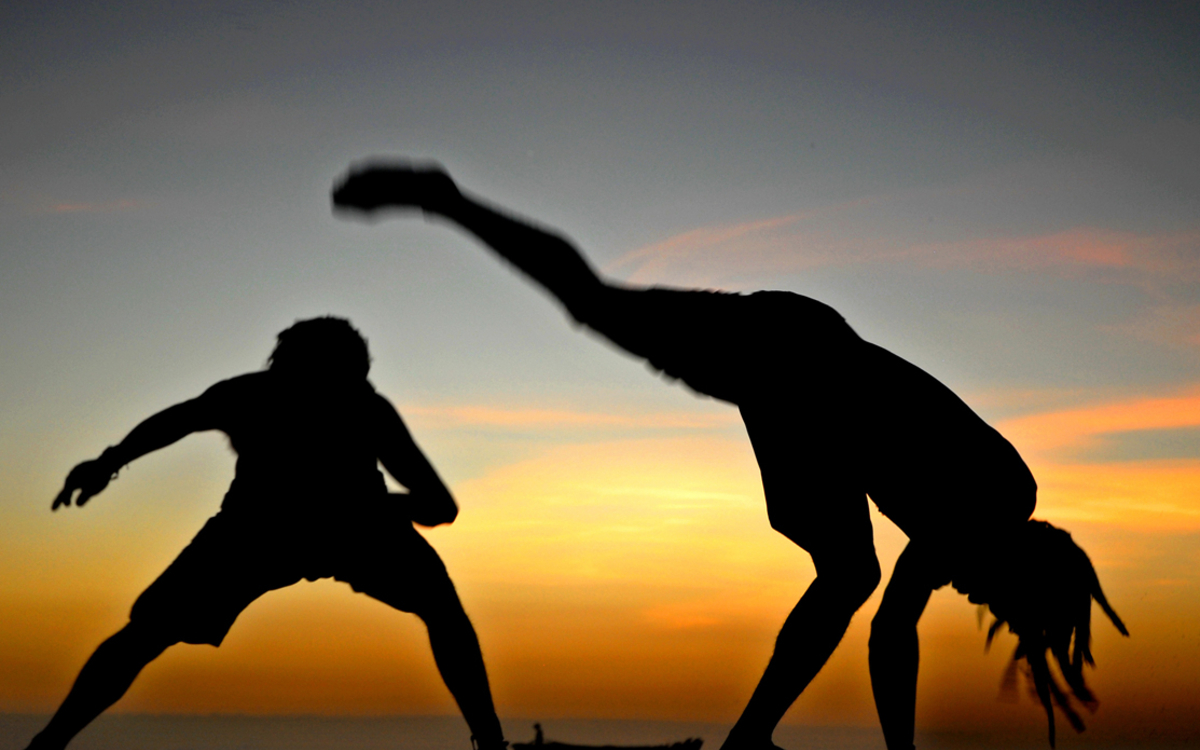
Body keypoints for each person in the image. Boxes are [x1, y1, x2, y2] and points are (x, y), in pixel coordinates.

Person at [331, 163, 1128, 750]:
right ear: (1021, 570)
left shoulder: (989, 511)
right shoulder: (987, 508)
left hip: (796, 360)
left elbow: (895, 622)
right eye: (997, 601)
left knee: (847, 568)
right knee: (594, 305)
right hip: (791, 356)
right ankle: (448, 200)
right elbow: (893, 632)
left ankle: (749, 739)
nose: (975, 597)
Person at [25, 317, 508, 750]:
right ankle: (49, 743)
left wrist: (107, 462)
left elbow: (439, 506)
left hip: (326, 527)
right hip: (269, 528)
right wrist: (108, 462)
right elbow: (176, 421)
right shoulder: (280, 396)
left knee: (143, 634)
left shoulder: (349, 405)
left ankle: (490, 743)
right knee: (146, 631)